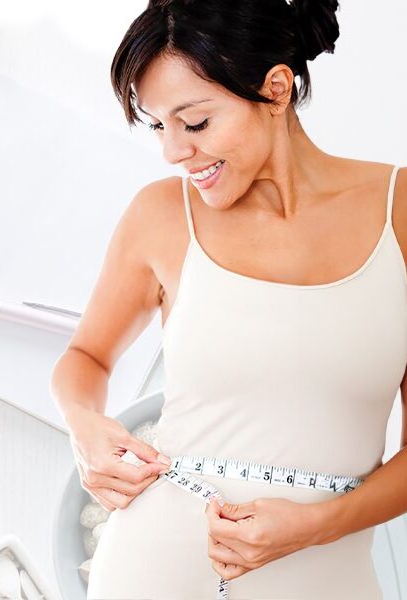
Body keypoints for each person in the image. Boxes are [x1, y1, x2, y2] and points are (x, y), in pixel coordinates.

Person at [50, 0, 407, 597]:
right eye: (158, 126)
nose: (172, 151)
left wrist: (316, 526)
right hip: (154, 563)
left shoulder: (398, 214)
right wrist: (84, 424)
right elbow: (86, 356)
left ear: (275, 89)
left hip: (326, 570)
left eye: (194, 123)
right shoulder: (161, 216)